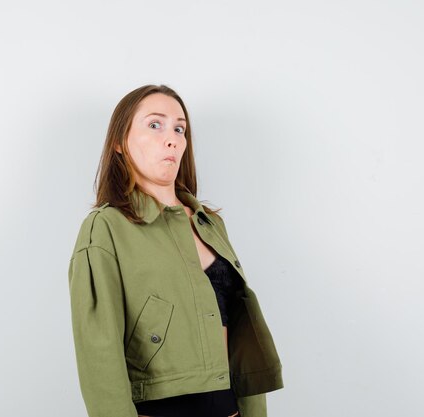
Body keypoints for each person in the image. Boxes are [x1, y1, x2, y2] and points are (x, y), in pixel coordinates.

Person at [67, 84, 284, 417]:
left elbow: (242, 333)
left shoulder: (209, 224)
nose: (172, 138)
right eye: (155, 124)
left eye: (179, 128)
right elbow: (99, 353)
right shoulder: (107, 228)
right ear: (120, 142)